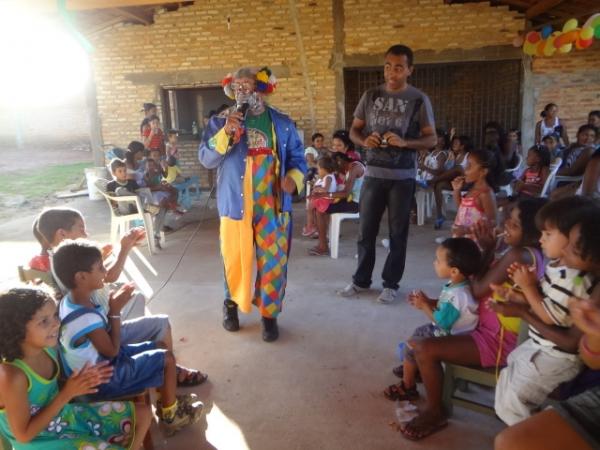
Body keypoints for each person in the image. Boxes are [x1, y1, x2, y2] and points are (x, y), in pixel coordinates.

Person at [399, 198, 547, 440]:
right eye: (508, 219)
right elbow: (478, 283)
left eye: (514, 223)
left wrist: (487, 249)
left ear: (533, 232)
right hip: (486, 329)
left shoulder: (519, 254)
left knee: (425, 349)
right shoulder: (524, 252)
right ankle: (422, 369)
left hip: (497, 341)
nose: (506, 225)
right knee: (424, 338)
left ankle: (436, 411)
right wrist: (489, 249)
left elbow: (476, 288)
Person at [35, 208, 206, 384]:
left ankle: (163, 368)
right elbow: (109, 278)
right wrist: (124, 249)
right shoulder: (72, 277)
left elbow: (100, 279)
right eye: (80, 228)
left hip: (100, 323)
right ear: (62, 234)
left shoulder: (61, 261)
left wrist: (105, 257)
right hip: (104, 330)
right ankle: (168, 373)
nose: (85, 233)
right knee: (156, 320)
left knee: (137, 301)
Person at [52, 240, 204, 436]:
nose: (105, 271)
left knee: (159, 346)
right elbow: (112, 351)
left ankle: (167, 398)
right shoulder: (84, 318)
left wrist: (114, 307)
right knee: (167, 359)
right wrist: (115, 311)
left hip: (101, 365)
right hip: (101, 382)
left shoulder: (70, 301)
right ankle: (171, 416)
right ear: (81, 277)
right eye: (100, 268)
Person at [198, 66, 306, 342]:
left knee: (273, 261)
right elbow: (206, 159)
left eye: (248, 85)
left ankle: (269, 316)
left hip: (272, 204)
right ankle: (231, 306)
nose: (243, 90)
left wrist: (294, 179)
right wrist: (226, 133)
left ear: (261, 89)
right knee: (235, 258)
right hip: (236, 203)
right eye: (238, 86)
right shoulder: (220, 121)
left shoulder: (281, 122)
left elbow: (298, 158)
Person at [494, 208, 600, 450]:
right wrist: (519, 294)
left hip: (555, 354)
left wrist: (527, 292)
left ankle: (527, 434)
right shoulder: (569, 273)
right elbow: (549, 300)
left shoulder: (579, 280)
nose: (565, 250)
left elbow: (550, 315)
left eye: (573, 245)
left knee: (513, 404)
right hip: (542, 346)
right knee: (508, 384)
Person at [338, 44, 436, 304]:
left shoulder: (418, 99)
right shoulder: (370, 95)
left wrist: (406, 143)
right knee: (365, 231)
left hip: (403, 178)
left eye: (399, 68)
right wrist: (364, 141)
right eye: (388, 67)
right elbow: (354, 131)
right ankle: (361, 281)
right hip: (374, 174)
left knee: (397, 234)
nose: (392, 73)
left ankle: (391, 284)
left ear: (409, 70)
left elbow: (431, 139)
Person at [0, 286, 152, 449]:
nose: (56, 324)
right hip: (40, 441)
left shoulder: (48, 349)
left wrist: (84, 380)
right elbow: (23, 435)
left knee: (143, 414)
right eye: (44, 321)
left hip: (63, 417)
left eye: (55, 315)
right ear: (16, 330)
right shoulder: (12, 376)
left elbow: (53, 390)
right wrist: (68, 393)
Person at [383, 238, 481, 402]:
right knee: (417, 333)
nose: (434, 263)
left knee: (411, 345)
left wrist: (424, 307)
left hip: (451, 336)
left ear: (454, 271)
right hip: (450, 331)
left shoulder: (459, 295)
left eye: (438, 261)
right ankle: (415, 368)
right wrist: (428, 301)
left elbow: (443, 321)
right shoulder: (457, 285)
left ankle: (408, 386)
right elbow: (445, 307)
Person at [310, 131, 365, 256]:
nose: (337, 168)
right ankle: (324, 241)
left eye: (337, 164)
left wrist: (326, 195)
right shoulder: (348, 166)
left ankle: (323, 246)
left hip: (357, 203)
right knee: (320, 205)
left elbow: (345, 193)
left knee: (321, 209)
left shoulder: (354, 168)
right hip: (351, 200)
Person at [450, 149, 498, 239]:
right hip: (463, 241)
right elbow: (460, 209)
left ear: (483, 172)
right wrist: (456, 190)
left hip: (475, 244)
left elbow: (493, 222)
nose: (465, 169)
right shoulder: (472, 190)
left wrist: (466, 230)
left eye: (469, 166)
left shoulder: (485, 193)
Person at [429, 135, 472, 229]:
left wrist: (459, 173)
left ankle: (432, 180)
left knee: (458, 168)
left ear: (463, 146)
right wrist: (450, 160)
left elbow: (469, 173)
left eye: (456, 143)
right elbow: (446, 170)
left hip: (466, 184)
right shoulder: (453, 155)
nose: (453, 145)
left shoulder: (468, 156)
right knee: (439, 185)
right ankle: (440, 216)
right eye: (453, 143)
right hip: (454, 183)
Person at [303, 156, 337, 238]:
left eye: (318, 169)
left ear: (324, 169)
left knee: (309, 207)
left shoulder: (328, 177)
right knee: (312, 209)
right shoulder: (325, 177)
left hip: (326, 199)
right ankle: (317, 228)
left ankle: (310, 226)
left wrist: (318, 188)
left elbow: (325, 189)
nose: (318, 171)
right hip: (324, 198)